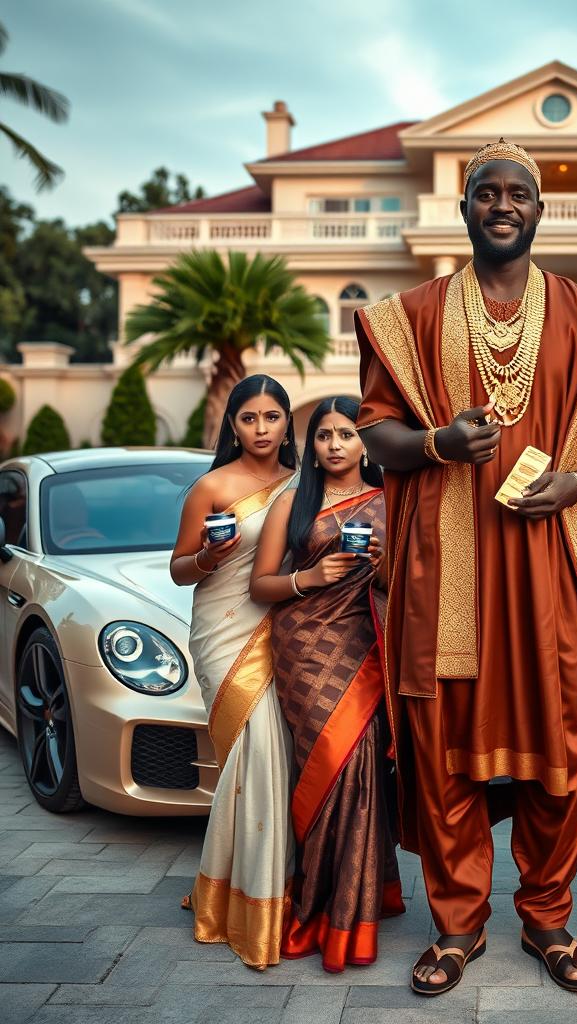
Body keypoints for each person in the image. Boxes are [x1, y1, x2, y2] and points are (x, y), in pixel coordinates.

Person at [355, 139, 577, 995]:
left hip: (549, 568)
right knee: (445, 743)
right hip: (444, 568)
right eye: (484, 191)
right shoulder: (410, 314)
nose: (501, 203)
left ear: (538, 210)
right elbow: (375, 427)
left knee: (559, 740)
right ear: (463, 210)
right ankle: (456, 927)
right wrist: (433, 444)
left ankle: (549, 919)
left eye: (516, 192)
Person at [250, 395, 404, 972]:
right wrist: (307, 576)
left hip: (366, 641)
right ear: (310, 444)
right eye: (323, 435)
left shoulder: (391, 501)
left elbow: (401, 586)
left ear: (366, 442)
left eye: (346, 434)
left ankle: (353, 910)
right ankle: (316, 902)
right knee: (326, 766)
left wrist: (386, 560)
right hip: (304, 649)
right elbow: (260, 586)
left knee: (360, 764)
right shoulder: (292, 502)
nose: (335, 444)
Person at [170, 374, 297, 970]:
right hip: (224, 630)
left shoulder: (306, 483)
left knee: (274, 758)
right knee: (253, 747)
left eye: (273, 417)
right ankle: (241, 901)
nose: (263, 429)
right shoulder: (212, 486)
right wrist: (207, 556)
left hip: (287, 629)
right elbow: (178, 570)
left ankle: (259, 888)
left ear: (287, 423)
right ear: (234, 425)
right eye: (251, 418)